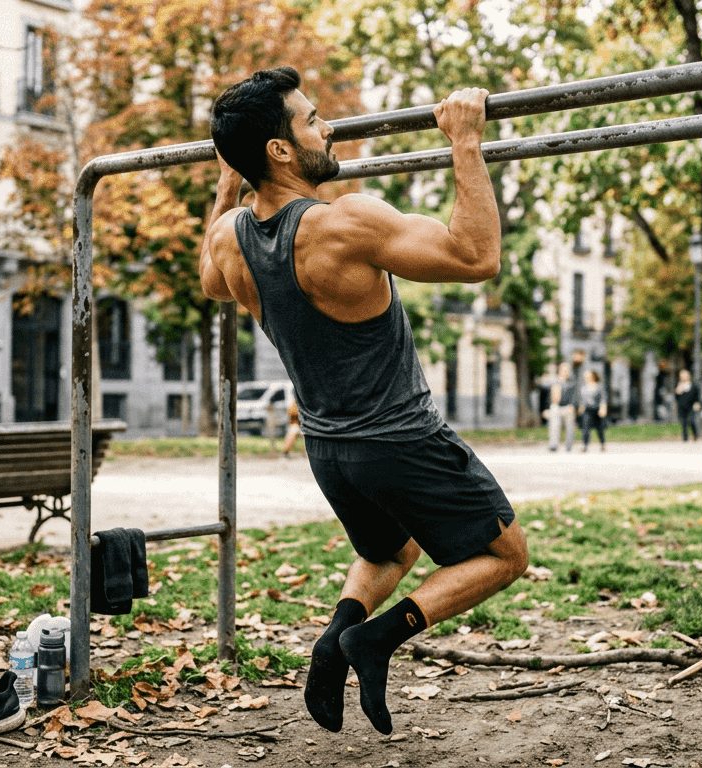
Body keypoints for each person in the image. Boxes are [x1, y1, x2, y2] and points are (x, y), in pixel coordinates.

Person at [200, 67, 528, 736]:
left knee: (390, 551)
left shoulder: (228, 237)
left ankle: (338, 636)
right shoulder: (345, 221)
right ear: (281, 150)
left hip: (329, 451)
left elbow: (211, 284)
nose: (329, 128)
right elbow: (477, 256)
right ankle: (377, 639)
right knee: (505, 557)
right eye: (312, 118)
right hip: (401, 439)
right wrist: (464, 140)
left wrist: (228, 181)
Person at [578, 369, 607, 452]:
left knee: (600, 428)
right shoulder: (583, 388)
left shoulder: (599, 386)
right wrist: (581, 408)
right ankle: (585, 445)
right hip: (588, 410)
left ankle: (602, 443)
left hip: (597, 409)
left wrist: (603, 408)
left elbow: (603, 399)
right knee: (586, 428)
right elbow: (582, 400)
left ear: (593, 376)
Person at [674, 369, 700, 442]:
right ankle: (685, 439)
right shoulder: (679, 385)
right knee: (683, 423)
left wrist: (697, 403)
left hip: (690, 406)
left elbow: (696, 395)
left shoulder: (693, 385)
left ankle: (695, 434)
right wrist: (677, 392)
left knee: (691, 421)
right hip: (681, 407)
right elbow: (676, 397)